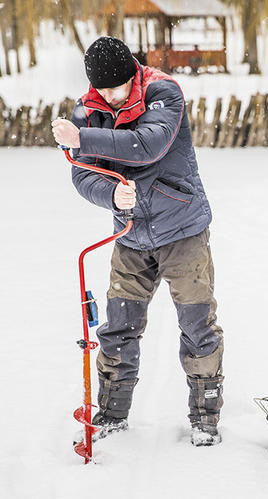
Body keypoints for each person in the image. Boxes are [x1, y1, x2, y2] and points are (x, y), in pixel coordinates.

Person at [51, 37, 224, 446]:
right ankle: (111, 414)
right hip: (131, 237)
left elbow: (148, 144)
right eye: (102, 89)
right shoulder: (88, 109)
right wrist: (109, 194)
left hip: (183, 231)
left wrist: (82, 138)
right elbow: (82, 175)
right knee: (118, 328)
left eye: (116, 88)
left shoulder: (163, 92)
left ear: (133, 73)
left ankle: (205, 419)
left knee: (197, 327)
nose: (109, 97)